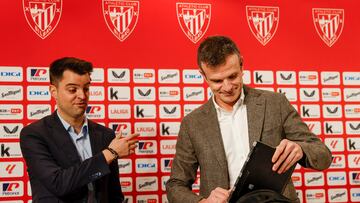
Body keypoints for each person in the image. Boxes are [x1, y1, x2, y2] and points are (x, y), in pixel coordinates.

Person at [166, 36, 332, 203]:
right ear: (203, 75)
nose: (227, 87)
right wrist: (203, 202)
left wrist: (301, 149)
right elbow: (176, 185)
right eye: (217, 81)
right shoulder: (192, 123)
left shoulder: (275, 103)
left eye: (232, 76)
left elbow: (323, 155)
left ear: (242, 64)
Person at [20, 57, 139, 203]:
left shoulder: (106, 135)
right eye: (72, 89)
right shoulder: (34, 134)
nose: (82, 96)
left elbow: (113, 193)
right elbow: (58, 183)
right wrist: (110, 153)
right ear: (53, 91)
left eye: (86, 88)